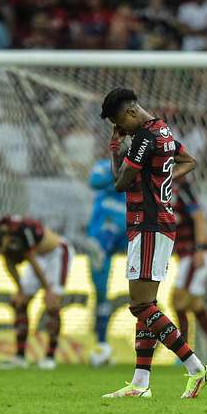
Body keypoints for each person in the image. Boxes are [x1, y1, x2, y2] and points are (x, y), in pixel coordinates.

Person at [99, 87, 207, 399]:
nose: (121, 130)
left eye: (120, 123)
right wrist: (164, 180)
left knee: (140, 305)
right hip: (157, 224)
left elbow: (120, 182)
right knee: (146, 306)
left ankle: (196, 367)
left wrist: (115, 150)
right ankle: (140, 383)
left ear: (131, 112)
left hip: (149, 224)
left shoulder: (144, 138)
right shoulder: (162, 130)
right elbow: (188, 160)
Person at [0, 215, 74, 370]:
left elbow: (32, 261)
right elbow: (9, 263)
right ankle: (20, 357)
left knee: (52, 304)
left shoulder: (23, 230)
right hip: (38, 258)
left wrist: (48, 290)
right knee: (19, 303)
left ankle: (50, 357)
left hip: (57, 254)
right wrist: (20, 290)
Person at [171, 178, 207, 363]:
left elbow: (199, 217)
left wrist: (201, 248)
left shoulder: (182, 188)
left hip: (194, 254)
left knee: (178, 300)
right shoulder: (163, 188)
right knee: (195, 304)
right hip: (185, 255)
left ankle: (184, 351)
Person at [85, 156, 127, 367]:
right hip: (100, 235)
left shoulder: (141, 169)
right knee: (101, 291)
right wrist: (118, 169)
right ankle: (102, 344)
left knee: (142, 291)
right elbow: (94, 181)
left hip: (127, 231)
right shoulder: (104, 167)